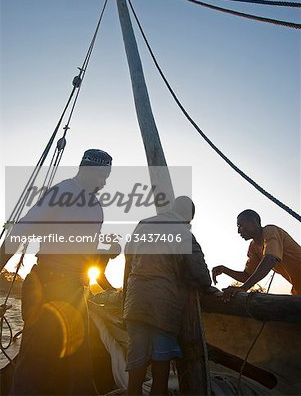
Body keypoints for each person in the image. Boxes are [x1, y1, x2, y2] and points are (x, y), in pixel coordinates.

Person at [0, 149, 120, 395]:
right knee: (34, 363)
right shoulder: (61, 192)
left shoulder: (96, 207)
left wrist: (106, 252)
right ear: (88, 170)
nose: (105, 182)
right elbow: (22, 231)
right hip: (47, 286)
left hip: (75, 292)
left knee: (79, 368)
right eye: (102, 175)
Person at [123, 196, 212, 395]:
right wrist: (203, 284)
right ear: (188, 217)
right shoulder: (183, 232)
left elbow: (128, 257)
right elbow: (200, 273)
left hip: (135, 301)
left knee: (136, 362)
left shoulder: (142, 225)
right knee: (160, 365)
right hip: (163, 305)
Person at [212, 209, 301, 302]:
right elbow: (247, 276)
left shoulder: (271, 231)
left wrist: (244, 288)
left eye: (240, 225)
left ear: (253, 222)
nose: (238, 231)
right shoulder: (253, 247)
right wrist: (224, 270)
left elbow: (270, 259)